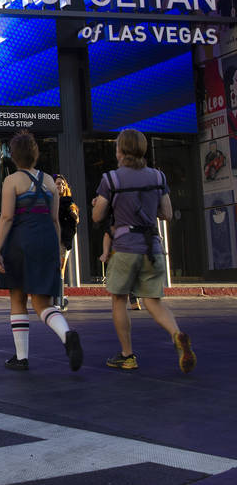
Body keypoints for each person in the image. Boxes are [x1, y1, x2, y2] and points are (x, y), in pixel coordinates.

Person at [93, 129, 196, 373]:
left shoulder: (111, 179)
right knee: (153, 301)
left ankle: (127, 355)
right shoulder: (158, 178)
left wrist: (100, 205)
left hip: (125, 247)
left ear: (121, 150)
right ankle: (177, 334)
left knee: (119, 299)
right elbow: (167, 214)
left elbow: (98, 216)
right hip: (152, 247)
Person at [0, 132, 83, 372]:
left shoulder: (12, 181)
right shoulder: (50, 182)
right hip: (47, 242)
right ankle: (66, 335)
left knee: (18, 298)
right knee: (42, 302)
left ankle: (21, 358)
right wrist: (56, 249)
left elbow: (7, 216)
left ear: (13, 156)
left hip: (21, 243)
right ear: (35, 154)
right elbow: (55, 220)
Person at [53, 174, 79, 310]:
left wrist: (73, 213)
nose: (60, 186)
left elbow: (75, 216)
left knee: (59, 268)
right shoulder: (49, 200)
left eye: (62, 184)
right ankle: (57, 297)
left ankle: (58, 300)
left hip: (63, 240)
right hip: (49, 239)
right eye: (57, 184)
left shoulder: (69, 202)